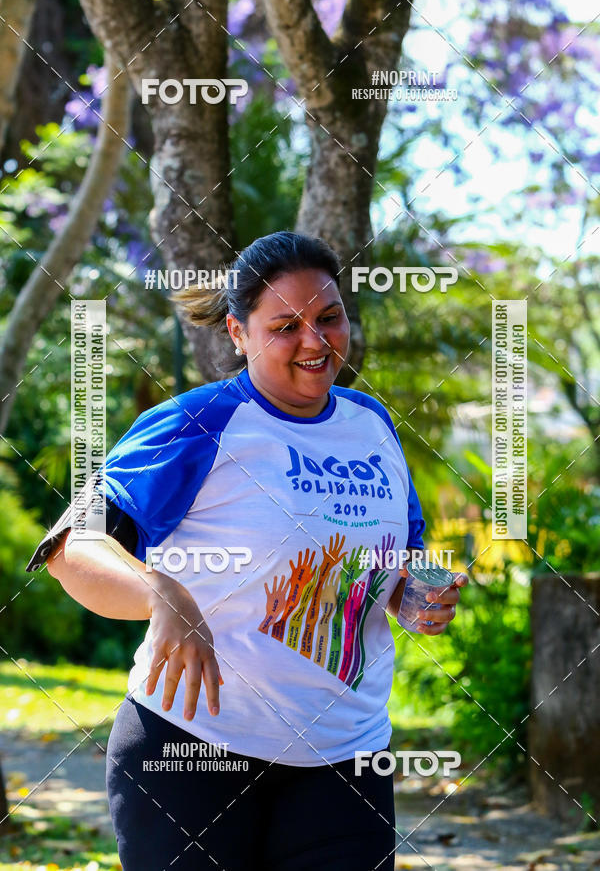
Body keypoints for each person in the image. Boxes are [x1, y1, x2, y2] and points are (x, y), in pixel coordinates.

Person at [26, 231, 468, 870]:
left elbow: (398, 557)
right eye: (285, 325)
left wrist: (414, 592)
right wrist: (162, 593)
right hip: (194, 752)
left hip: (347, 762)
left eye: (329, 317)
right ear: (237, 333)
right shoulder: (199, 422)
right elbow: (72, 546)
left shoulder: (371, 424)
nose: (315, 341)